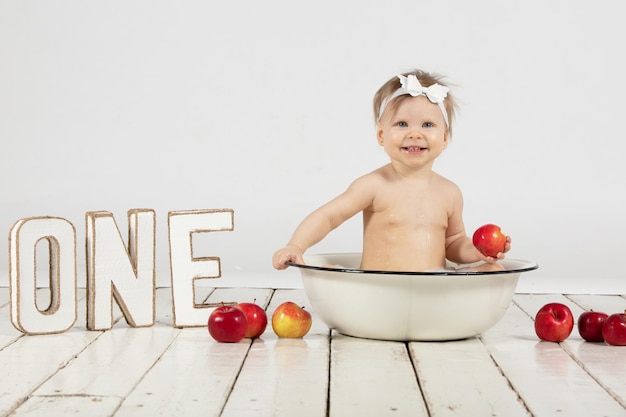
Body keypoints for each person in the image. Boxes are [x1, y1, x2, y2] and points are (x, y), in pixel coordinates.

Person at [272, 69, 510, 272]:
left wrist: (477, 251)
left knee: (492, 269)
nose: (415, 133)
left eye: (427, 125)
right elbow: (329, 216)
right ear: (381, 135)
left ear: (445, 138)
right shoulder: (374, 185)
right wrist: (296, 245)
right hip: (381, 290)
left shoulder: (450, 193)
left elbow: (453, 243)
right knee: (331, 274)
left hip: (432, 290)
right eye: (402, 124)